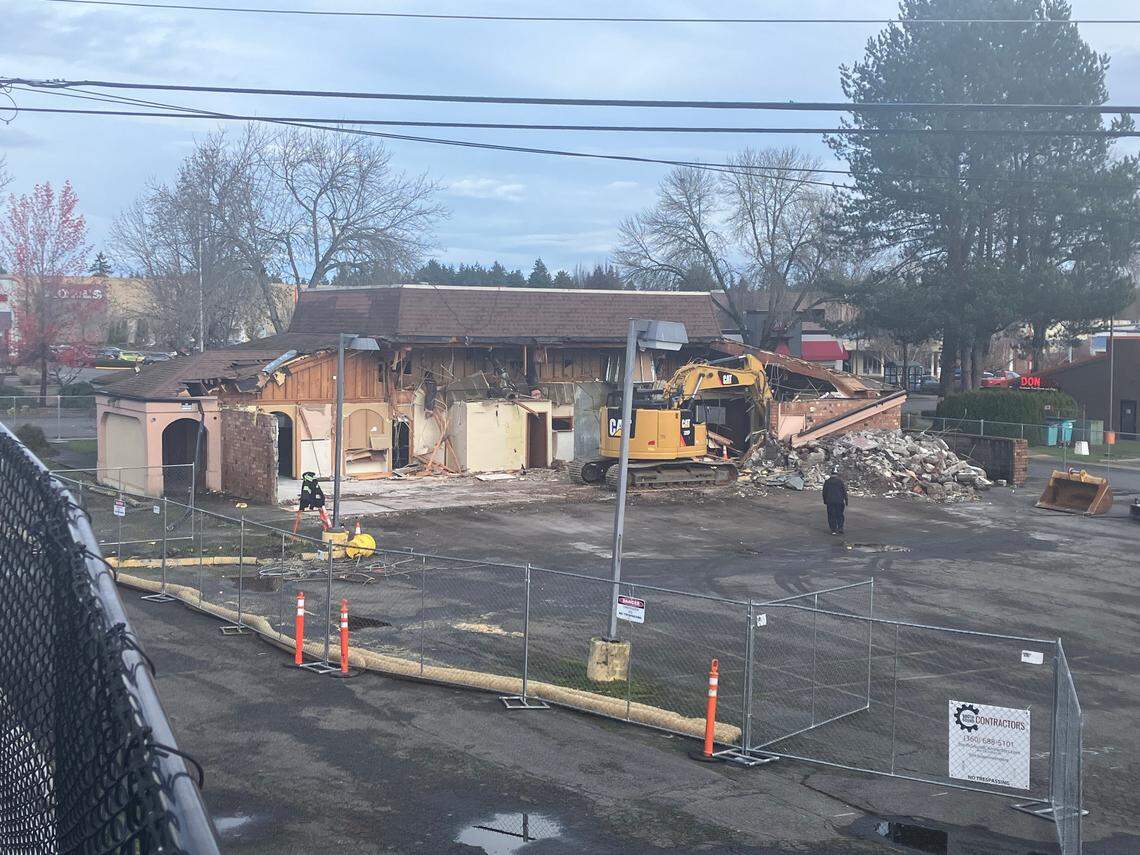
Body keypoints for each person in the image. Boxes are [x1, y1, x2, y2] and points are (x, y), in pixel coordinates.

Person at [822, 468, 848, 535]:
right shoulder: (840, 481)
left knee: (831, 515)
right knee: (839, 515)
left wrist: (825, 501)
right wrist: (846, 500)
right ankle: (840, 528)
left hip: (830, 501)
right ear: (837, 474)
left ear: (831, 474)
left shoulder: (827, 482)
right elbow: (844, 491)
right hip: (839, 501)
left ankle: (833, 530)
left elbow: (824, 492)